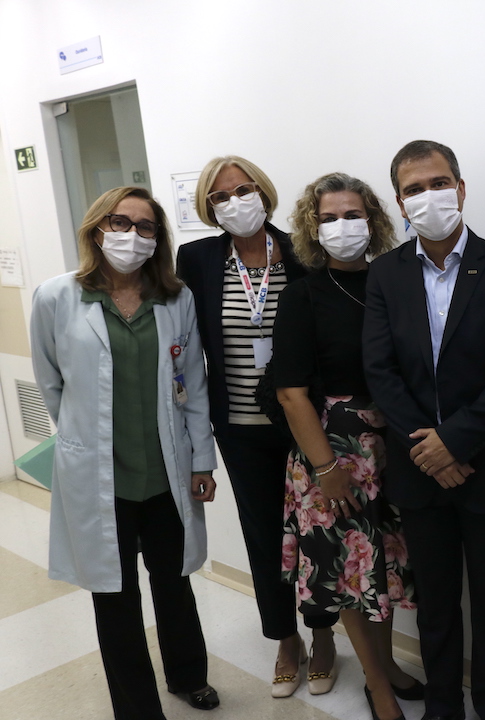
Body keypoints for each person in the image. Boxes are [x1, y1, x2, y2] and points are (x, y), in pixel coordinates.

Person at [363, 140, 485, 720]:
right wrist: (431, 449)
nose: (429, 196)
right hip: (420, 470)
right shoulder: (384, 274)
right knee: (436, 605)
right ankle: (443, 705)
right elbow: (380, 371)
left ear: (461, 189)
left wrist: (456, 442)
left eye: (439, 183)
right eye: (414, 189)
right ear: (399, 203)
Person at [30, 187, 219, 719]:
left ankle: (188, 675)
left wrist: (201, 460)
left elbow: (193, 385)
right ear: (97, 229)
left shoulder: (175, 298)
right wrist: (82, 438)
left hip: (165, 471)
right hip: (100, 477)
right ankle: (137, 707)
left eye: (145, 226)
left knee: (174, 582)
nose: (132, 235)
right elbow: (51, 383)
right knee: (114, 596)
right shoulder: (57, 296)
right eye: (120, 222)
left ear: (158, 238)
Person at [175, 156, 337, 697]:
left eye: (243, 190)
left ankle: (323, 635)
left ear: (263, 192)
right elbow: (188, 339)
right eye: (220, 197)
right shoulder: (198, 259)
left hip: (301, 421)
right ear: (209, 207)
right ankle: (285, 639)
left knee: (316, 533)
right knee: (264, 537)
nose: (234, 202)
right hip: (239, 427)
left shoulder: (301, 251)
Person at [274, 172, 422, 720]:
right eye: (329, 218)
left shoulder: (394, 281)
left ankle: (387, 667)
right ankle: (377, 685)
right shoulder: (303, 295)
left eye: (353, 215)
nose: (342, 226)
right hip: (331, 453)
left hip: (390, 447)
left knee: (382, 566)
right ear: (312, 228)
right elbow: (290, 393)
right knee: (349, 572)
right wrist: (325, 467)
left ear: (374, 220)